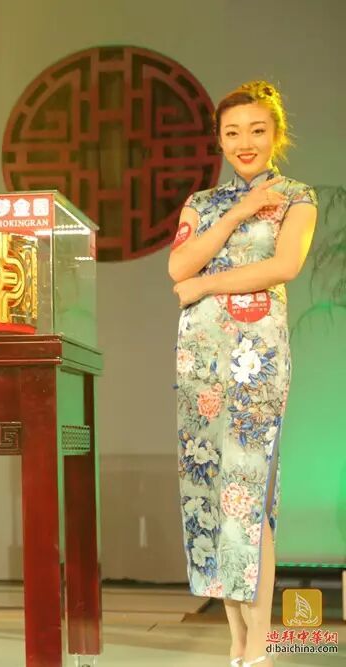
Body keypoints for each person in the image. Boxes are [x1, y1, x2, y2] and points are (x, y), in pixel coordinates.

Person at [169, 80, 318, 667]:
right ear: (220, 139)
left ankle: (259, 645)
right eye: (232, 132)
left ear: (277, 134)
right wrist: (237, 213)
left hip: (257, 361)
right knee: (209, 494)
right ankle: (236, 641)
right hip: (199, 360)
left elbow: (284, 265)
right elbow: (177, 265)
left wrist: (204, 285)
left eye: (257, 129)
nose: (245, 142)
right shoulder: (203, 203)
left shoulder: (297, 197)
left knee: (246, 496)